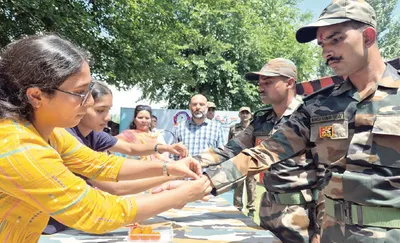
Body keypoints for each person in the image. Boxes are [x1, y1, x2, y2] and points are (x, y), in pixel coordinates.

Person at [196, 1, 399, 242]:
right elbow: (265, 152)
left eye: (335, 39)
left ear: (368, 36)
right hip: (332, 234)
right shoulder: (319, 106)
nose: (326, 52)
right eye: (322, 44)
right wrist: (205, 181)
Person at [0, 34, 211, 242]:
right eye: (80, 92)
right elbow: (97, 212)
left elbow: (101, 164)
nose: (89, 101)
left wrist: (170, 168)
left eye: (89, 91)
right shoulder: (18, 146)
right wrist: (183, 194)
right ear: (36, 96)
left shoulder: (48, 133)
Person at [44, 80, 184, 234]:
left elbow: (129, 148)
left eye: (108, 110)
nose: (107, 117)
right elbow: (116, 186)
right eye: (100, 110)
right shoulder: (65, 138)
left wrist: (164, 149)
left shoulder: (92, 134)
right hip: (49, 225)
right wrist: (173, 174)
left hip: (70, 221)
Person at [174, 94, 225, 159]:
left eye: (201, 104)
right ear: (190, 107)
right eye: (194, 104)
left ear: (206, 108)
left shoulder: (217, 128)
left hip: (209, 169)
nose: (198, 107)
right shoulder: (180, 128)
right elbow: (174, 155)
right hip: (185, 168)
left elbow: (222, 155)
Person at [228, 107, 257, 218]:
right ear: (239, 115)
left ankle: (251, 210)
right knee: (238, 186)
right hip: (238, 161)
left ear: (250, 115)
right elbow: (230, 145)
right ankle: (238, 209)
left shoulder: (255, 128)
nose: (245, 115)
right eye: (242, 113)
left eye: (247, 113)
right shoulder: (233, 128)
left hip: (251, 161)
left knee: (251, 186)